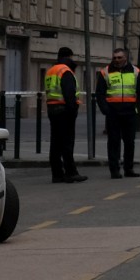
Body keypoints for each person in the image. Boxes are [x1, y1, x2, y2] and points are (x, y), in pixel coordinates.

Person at [97, 47, 140, 178]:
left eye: (119, 57)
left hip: (129, 112)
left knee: (129, 142)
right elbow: (100, 93)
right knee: (113, 142)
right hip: (113, 113)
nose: (116, 60)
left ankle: (129, 169)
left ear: (125, 58)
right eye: (115, 57)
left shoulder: (135, 71)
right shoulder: (105, 72)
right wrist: (105, 109)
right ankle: (114, 170)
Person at [45, 47, 87, 183]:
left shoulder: (51, 70)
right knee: (67, 143)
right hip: (64, 110)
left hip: (52, 109)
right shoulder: (65, 71)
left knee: (55, 143)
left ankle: (57, 174)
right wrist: (73, 110)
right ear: (69, 56)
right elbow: (69, 93)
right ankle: (71, 172)